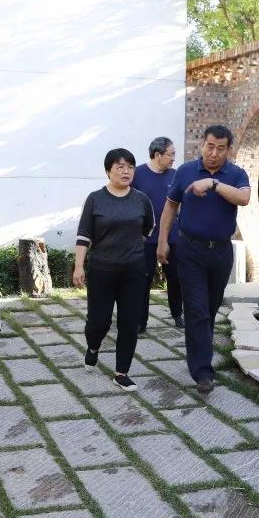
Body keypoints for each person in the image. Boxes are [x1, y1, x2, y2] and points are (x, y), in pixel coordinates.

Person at [157, 125, 250, 395]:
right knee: (196, 309)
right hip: (190, 250)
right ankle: (203, 372)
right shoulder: (185, 171)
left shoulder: (236, 174)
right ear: (202, 145)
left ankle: (200, 352)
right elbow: (170, 206)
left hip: (220, 252)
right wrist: (162, 240)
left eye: (220, 148)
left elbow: (244, 198)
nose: (214, 153)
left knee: (209, 309)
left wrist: (213, 184)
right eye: (210, 146)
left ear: (228, 150)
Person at [73, 148, 155, 392]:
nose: (126, 171)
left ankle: (122, 373)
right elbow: (84, 235)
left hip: (134, 271)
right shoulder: (95, 199)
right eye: (120, 167)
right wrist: (79, 266)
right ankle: (93, 347)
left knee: (129, 322)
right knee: (98, 322)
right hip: (102, 270)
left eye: (130, 166)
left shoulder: (141, 200)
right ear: (108, 171)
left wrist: (129, 247)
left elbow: (148, 228)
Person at [132, 137, 183, 333]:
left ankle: (177, 314)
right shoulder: (138, 175)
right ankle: (140, 321)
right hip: (146, 238)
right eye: (171, 154)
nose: (173, 158)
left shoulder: (176, 175)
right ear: (157, 155)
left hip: (173, 236)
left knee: (175, 278)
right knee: (143, 280)